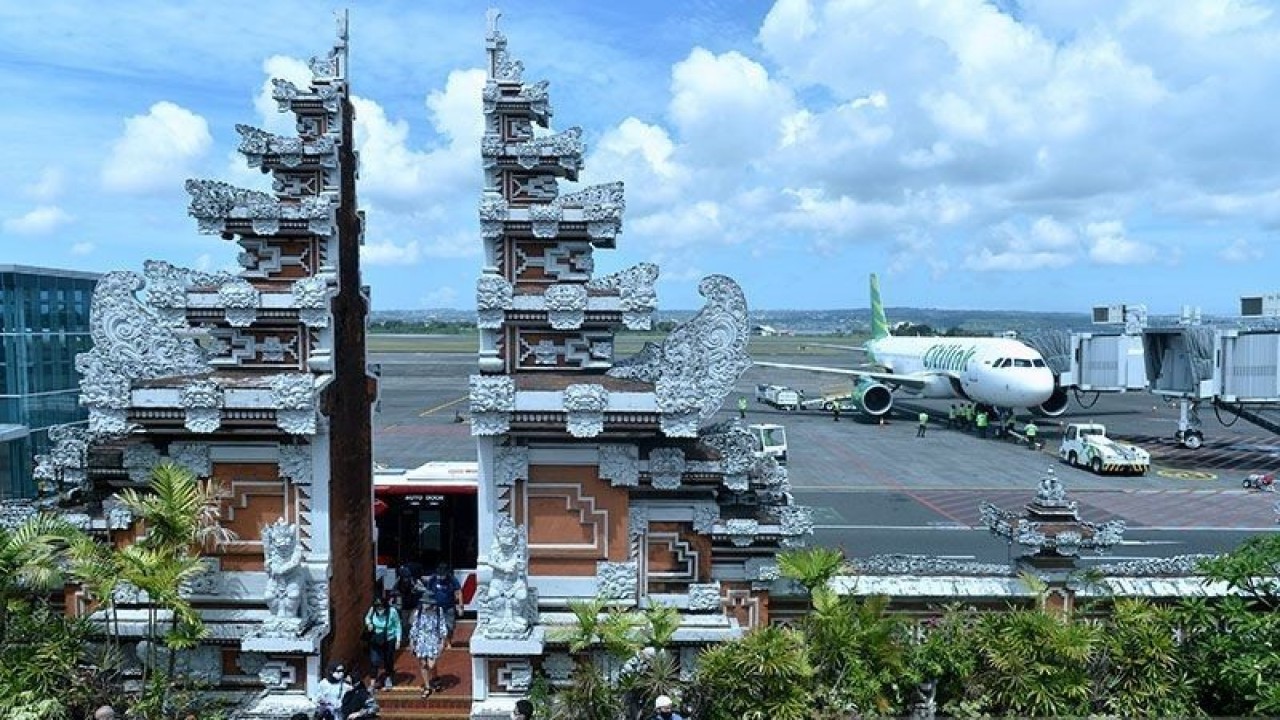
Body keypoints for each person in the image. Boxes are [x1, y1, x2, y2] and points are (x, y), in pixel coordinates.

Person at [409, 596, 448, 697]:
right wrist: (412, 641)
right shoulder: (419, 612)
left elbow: (442, 626)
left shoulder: (438, 612)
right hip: (421, 639)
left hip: (433, 639)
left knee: (431, 664)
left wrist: (442, 642)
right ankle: (427, 686)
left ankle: (435, 677)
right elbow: (415, 626)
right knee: (423, 664)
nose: (425, 605)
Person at [420, 562, 463, 648]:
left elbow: (458, 592)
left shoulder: (452, 579)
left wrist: (461, 606)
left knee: (449, 626)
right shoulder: (433, 579)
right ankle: (441, 641)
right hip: (436, 607)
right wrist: (426, 605)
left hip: (449, 606)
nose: (441, 576)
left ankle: (449, 640)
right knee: (437, 625)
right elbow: (428, 592)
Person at [364, 594, 402, 689]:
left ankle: (388, 677)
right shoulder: (372, 610)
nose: (380, 611)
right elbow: (367, 618)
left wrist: (398, 640)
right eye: (378, 608)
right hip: (376, 638)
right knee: (374, 660)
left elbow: (397, 625)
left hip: (389, 639)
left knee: (388, 660)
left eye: (382, 608)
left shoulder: (392, 612)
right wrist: (369, 624)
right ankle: (372, 682)